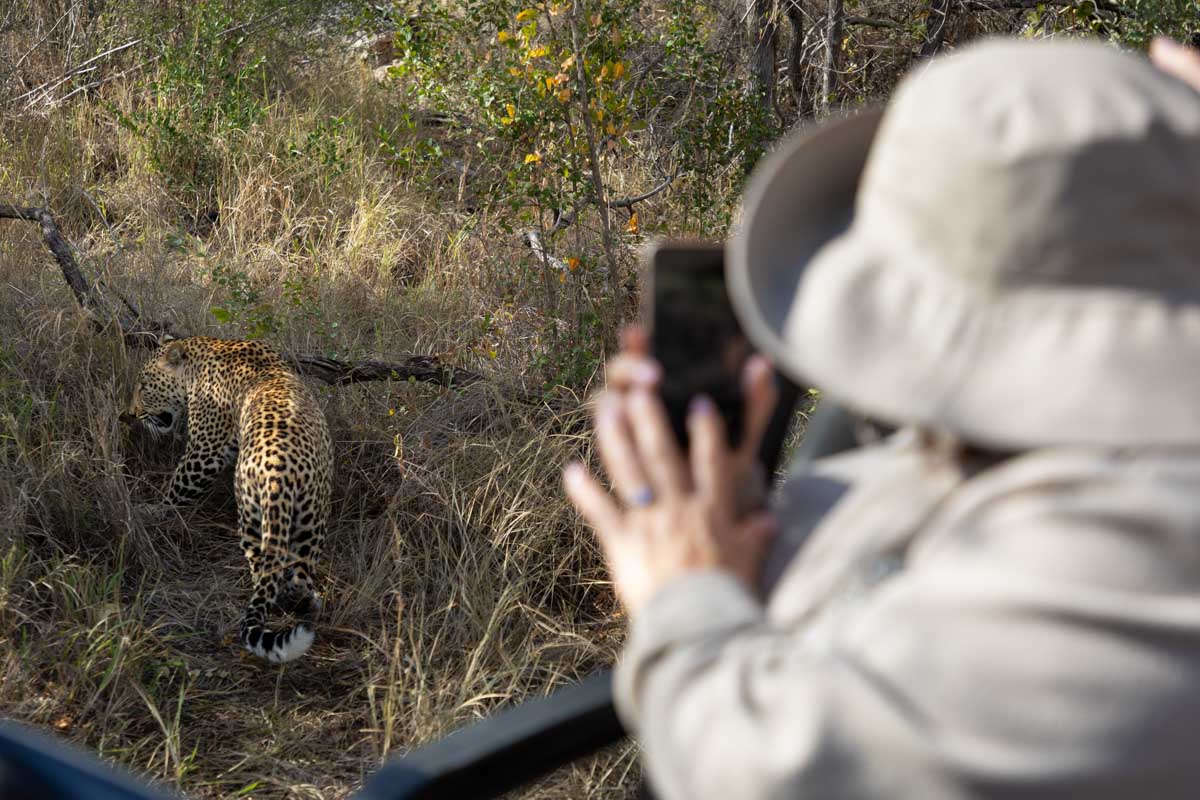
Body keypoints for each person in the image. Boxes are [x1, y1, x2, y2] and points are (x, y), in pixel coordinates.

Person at [563, 36, 1200, 799]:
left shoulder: (1130, 553)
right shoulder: (1095, 461)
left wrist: (687, 594)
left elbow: (777, 770)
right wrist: (739, 511)